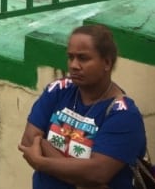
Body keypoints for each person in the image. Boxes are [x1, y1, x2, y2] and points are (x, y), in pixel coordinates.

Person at [19, 24, 146, 189]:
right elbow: (29, 140)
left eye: (83, 58)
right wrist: (80, 177)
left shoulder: (124, 114)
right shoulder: (59, 90)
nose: (74, 65)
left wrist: (42, 160)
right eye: (71, 57)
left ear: (106, 62)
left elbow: (98, 172)